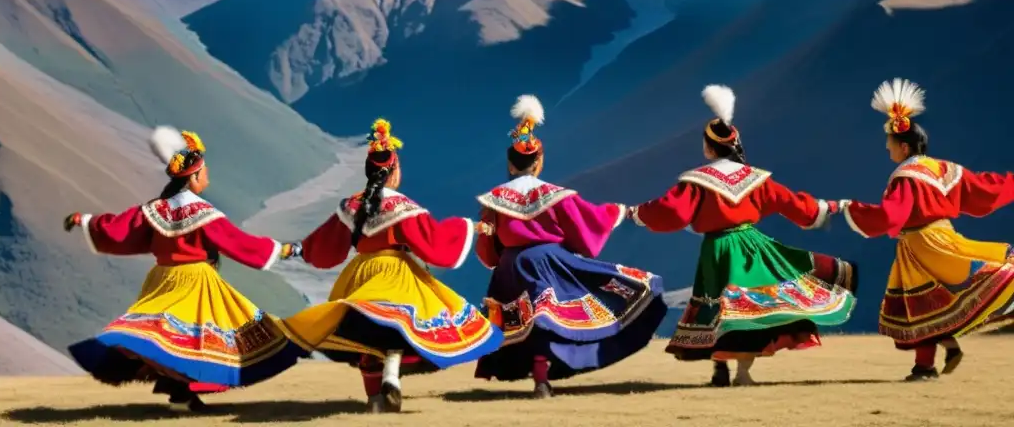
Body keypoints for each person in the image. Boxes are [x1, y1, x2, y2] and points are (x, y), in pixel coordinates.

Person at [625, 84, 858, 387]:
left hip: (718, 249)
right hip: (751, 246)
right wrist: (824, 208)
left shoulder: (697, 181)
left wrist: (638, 213)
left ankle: (721, 370)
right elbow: (798, 206)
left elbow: (672, 212)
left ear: (709, 148)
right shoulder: (757, 179)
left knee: (719, 308)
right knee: (747, 308)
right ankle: (741, 373)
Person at [64, 127, 304, 412]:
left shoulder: (155, 209)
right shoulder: (204, 213)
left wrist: (86, 221)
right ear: (193, 177)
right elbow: (240, 243)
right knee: (201, 341)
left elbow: (120, 228)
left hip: (162, 279)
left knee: (165, 337)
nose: (207, 178)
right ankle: (180, 391)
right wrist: (284, 249)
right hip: (195, 282)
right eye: (204, 173)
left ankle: (177, 391)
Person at [277, 118, 503, 414]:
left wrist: (296, 249)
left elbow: (325, 246)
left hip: (361, 275)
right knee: (398, 330)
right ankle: (392, 380)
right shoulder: (405, 208)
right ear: (394, 172)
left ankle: (374, 399)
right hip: (399, 275)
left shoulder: (350, 207)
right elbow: (433, 241)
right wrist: (469, 227)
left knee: (368, 337)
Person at [472, 95, 667, 397]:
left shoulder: (494, 200)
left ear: (511, 164)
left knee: (526, 321)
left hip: (511, 267)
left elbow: (487, 244)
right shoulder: (556, 195)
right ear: (539, 162)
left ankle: (537, 378)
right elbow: (589, 222)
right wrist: (617, 211)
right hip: (549, 262)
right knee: (547, 318)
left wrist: (497, 260)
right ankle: (542, 379)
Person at [839, 78, 1014, 381]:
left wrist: (850, 209)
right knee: (926, 303)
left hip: (925, 243)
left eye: (890, 143)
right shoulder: (943, 169)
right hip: (936, 238)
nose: (887, 148)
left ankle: (927, 365)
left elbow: (892, 214)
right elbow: (985, 187)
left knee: (920, 303)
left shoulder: (906, 176)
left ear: (903, 146)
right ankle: (929, 362)